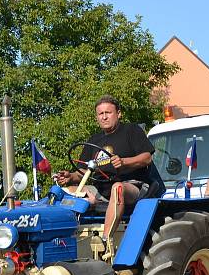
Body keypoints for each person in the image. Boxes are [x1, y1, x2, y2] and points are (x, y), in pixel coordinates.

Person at [54, 95, 160, 246]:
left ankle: (105, 241)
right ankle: (65, 239)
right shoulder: (93, 140)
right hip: (101, 189)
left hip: (133, 187)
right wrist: (70, 177)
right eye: (100, 114)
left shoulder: (131, 131)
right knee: (66, 192)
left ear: (118, 113)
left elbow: (146, 158)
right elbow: (84, 172)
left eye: (108, 113)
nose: (104, 117)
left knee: (117, 189)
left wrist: (124, 162)